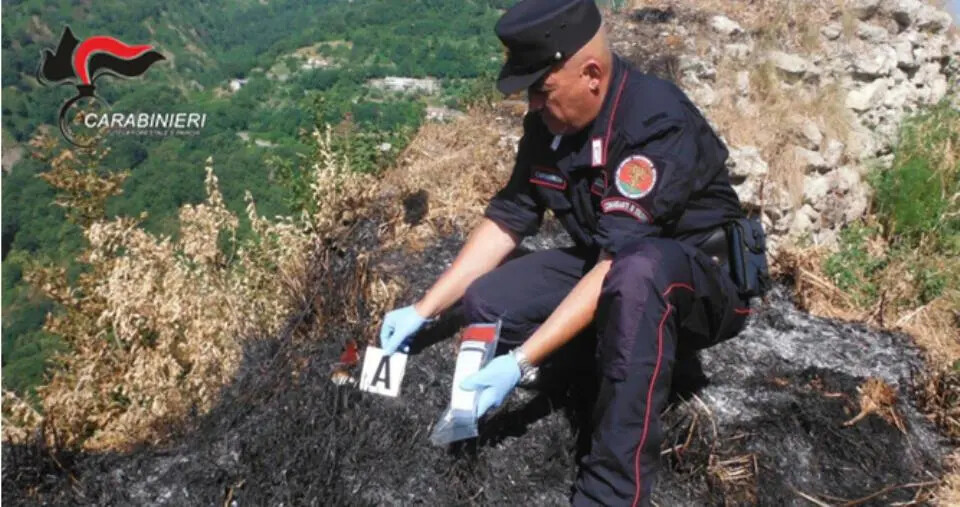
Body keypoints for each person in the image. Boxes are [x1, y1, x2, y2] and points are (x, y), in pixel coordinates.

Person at [379, 1, 766, 504]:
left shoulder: (655, 120)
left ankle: (611, 490)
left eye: (541, 89)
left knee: (638, 275)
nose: (533, 105)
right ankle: (621, 358)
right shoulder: (550, 128)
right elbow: (508, 218)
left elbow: (619, 261)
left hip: (696, 283)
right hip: (612, 263)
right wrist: (422, 310)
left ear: (590, 74)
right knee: (488, 301)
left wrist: (520, 361)